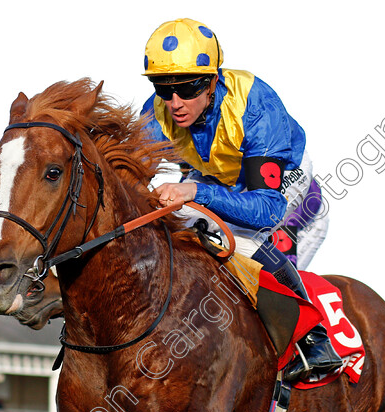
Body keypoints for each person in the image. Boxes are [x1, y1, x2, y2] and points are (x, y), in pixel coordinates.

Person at [141, 18, 341, 383]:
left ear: (213, 81)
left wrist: (195, 191)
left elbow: (265, 209)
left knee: (240, 242)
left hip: (286, 191)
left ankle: (315, 340)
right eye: (163, 88)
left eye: (186, 88)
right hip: (221, 177)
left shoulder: (255, 105)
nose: (174, 102)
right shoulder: (157, 111)